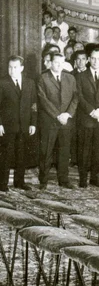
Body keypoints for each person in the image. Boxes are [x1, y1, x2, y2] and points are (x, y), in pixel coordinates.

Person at [0, 56, 37, 191]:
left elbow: (34, 105)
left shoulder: (30, 83)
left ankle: (19, 182)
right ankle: (3, 184)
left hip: (24, 126)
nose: (12, 70)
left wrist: (33, 123)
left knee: (21, 155)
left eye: (15, 67)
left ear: (22, 68)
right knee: (5, 156)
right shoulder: (1, 82)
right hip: (7, 127)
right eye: (10, 67)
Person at [37, 53, 78, 189]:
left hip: (66, 121)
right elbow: (43, 99)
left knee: (64, 151)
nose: (58, 65)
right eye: (55, 62)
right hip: (49, 121)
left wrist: (67, 114)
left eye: (61, 62)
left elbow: (75, 97)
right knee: (46, 151)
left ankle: (63, 179)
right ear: (50, 63)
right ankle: (43, 181)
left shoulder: (70, 78)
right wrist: (57, 115)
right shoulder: (43, 78)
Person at [75, 48, 99, 187]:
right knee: (84, 150)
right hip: (86, 118)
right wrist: (92, 111)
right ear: (89, 60)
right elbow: (79, 96)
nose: (96, 61)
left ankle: (94, 177)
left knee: (97, 150)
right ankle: (83, 178)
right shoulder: (81, 76)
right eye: (94, 58)